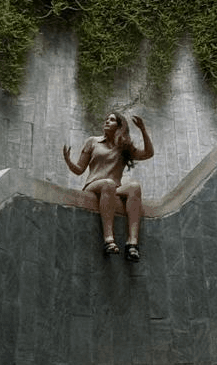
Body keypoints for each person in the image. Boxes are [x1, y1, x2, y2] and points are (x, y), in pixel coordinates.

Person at [63, 111, 153, 260]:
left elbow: (148, 153)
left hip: (113, 189)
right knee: (108, 184)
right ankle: (109, 240)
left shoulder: (124, 147)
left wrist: (143, 130)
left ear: (119, 126)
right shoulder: (92, 142)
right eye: (106, 119)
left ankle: (132, 244)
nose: (106, 121)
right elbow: (79, 170)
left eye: (111, 120)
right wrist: (68, 161)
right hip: (93, 186)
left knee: (134, 186)